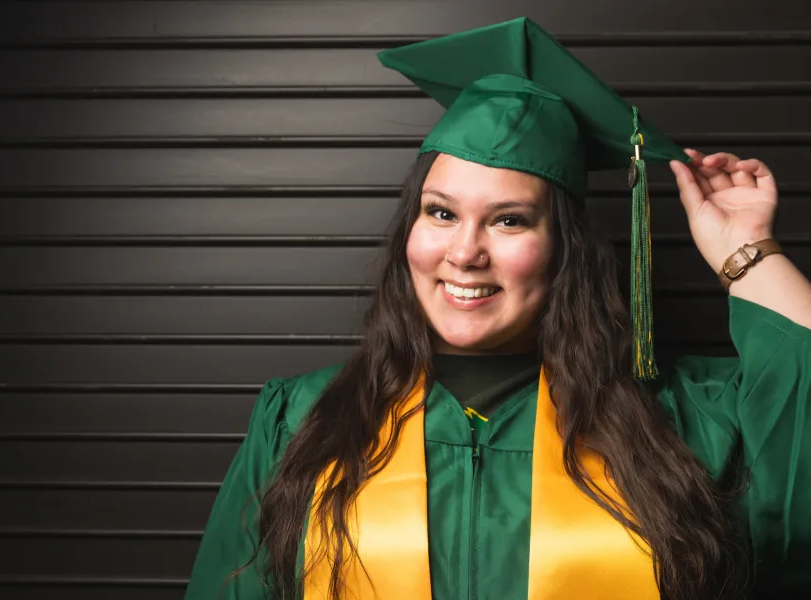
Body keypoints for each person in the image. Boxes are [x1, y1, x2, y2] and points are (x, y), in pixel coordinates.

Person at [183, 17, 811, 600]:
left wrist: (749, 252)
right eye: (442, 212)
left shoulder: (686, 419)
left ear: (563, 249)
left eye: (509, 221)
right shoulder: (301, 422)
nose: (464, 251)